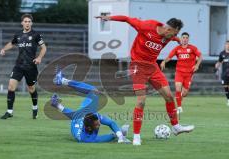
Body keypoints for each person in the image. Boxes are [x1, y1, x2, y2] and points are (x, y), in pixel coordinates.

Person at [95, 15, 194, 145]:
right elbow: (127, 19)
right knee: (141, 101)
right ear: (168, 29)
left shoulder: (169, 36)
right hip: (137, 66)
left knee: (169, 97)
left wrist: (178, 40)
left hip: (152, 67)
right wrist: (109, 18)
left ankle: (176, 127)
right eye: (175, 33)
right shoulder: (147, 26)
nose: (174, 37)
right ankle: (137, 136)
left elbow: (175, 39)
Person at [51, 70, 130, 143]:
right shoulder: (87, 139)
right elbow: (109, 136)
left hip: (81, 113)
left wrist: (57, 105)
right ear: (89, 128)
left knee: (93, 91)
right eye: (97, 124)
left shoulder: (93, 116)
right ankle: (62, 80)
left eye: (98, 122)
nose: (99, 124)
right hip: (77, 123)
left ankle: (62, 80)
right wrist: (119, 135)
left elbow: (111, 123)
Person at [0, 14, 47, 119]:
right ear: (22, 23)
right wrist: (4, 49)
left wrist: (39, 58)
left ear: (31, 23)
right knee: (11, 86)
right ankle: (9, 111)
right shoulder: (18, 35)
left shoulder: (36, 35)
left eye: (29, 21)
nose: (27, 23)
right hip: (19, 65)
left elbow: (44, 48)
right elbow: (12, 43)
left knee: (31, 88)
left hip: (31, 66)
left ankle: (35, 107)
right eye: (25, 21)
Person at [160, 32, 202, 114]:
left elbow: (200, 56)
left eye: (186, 38)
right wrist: (164, 61)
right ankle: (179, 107)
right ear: (181, 39)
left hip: (189, 73)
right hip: (179, 72)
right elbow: (169, 57)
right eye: (183, 37)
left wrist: (197, 65)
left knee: (185, 93)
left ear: (188, 39)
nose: (185, 39)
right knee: (178, 88)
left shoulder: (192, 48)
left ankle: (179, 99)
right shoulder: (177, 49)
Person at [215, 40, 229, 106]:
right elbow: (219, 61)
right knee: (226, 87)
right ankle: (228, 100)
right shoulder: (222, 53)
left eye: (228, 44)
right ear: (225, 45)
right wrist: (217, 65)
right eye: (226, 44)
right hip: (224, 74)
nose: (227, 46)